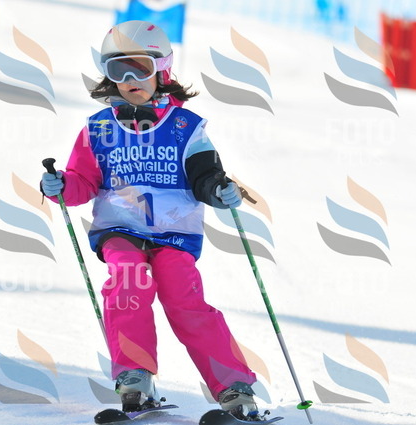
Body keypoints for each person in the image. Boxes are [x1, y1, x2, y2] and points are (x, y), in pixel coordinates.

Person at [42, 20, 262, 421]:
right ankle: (135, 378)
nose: (129, 80)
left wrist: (219, 191)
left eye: (139, 68)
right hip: (120, 228)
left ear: (162, 69)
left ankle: (235, 388)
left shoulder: (185, 127)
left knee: (184, 299)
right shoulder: (98, 128)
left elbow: (205, 176)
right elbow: (83, 181)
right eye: (117, 70)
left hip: (174, 233)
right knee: (127, 283)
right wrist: (61, 186)